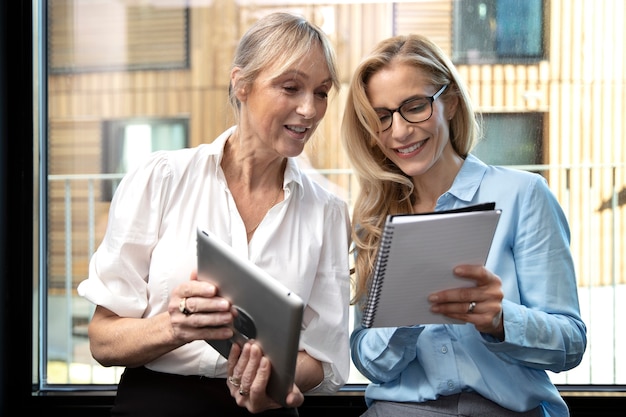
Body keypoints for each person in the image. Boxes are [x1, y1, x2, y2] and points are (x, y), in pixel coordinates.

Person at [77, 12, 351, 417]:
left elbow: (324, 356)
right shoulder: (162, 178)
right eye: (291, 87)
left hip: (264, 410)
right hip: (157, 404)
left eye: (322, 92)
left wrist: (277, 385)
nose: (310, 110)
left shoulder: (327, 210)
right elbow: (102, 342)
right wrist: (174, 327)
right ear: (241, 84)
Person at [341, 34, 587, 417]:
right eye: (382, 116)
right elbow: (371, 364)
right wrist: (405, 316)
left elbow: (570, 344)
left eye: (415, 107)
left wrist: (501, 320)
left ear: (450, 102)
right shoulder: (374, 221)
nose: (400, 131)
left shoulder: (523, 195)